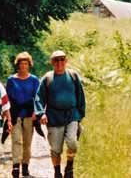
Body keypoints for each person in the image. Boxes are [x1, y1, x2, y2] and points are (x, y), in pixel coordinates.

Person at [35, 50, 86, 178]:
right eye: (56, 60)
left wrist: (80, 114)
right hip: (53, 116)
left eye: (62, 59)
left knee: (72, 143)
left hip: (72, 115)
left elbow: (81, 96)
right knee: (56, 149)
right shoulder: (47, 78)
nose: (59, 62)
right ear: (52, 62)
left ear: (66, 61)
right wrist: (41, 114)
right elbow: (38, 98)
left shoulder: (73, 76)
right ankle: (57, 172)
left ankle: (69, 167)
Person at [6, 52, 40, 178]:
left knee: (27, 142)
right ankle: (16, 166)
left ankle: (25, 165)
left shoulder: (34, 80)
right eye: (21, 64)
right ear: (18, 65)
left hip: (29, 115)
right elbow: (7, 98)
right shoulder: (11, 80)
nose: (23, 66)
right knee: (16, 141)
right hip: (15, 115)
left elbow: (38, 98)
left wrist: (36, 112)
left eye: (26, 64)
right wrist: (7, 115)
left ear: (29, 65)